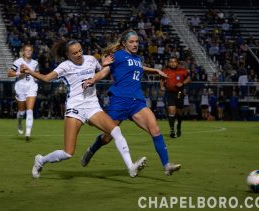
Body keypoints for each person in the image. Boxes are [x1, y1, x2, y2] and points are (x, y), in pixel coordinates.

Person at [21, 39, 146, 178]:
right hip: (75, 108)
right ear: (68, 55)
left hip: (92, 105)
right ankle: (40, 160)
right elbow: (46, 78)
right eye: (75, 53)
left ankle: (131, 167)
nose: (79, 54)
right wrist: (29, 71)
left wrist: (104, 64)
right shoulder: (65, 66)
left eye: (80, 50)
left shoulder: (91, 60)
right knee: (68, 153)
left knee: (115, 130)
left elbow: (104, 71)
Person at [81, 30, 181, 176]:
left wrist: (155, 70)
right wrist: (92, 79)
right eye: (131, 42)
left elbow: (139, 67)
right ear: (124, 44)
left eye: (137, 42)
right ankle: (92, 149)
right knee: (107, 137)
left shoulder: (138, 59)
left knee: (156, 130)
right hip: (119, 100)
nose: (135, 44)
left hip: (137, 101)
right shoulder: (118, 55)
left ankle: (166, 165)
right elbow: (105, 70)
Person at [8, 44, 39, 141]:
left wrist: (34, 75)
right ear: (23, 51)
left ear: (32, 51)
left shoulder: (35, 63)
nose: (28, 52)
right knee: (21, 112)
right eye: (27, 50)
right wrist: (20, 72)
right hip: (20, 87)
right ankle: (19, 123)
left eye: (30, 50)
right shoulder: (18, 62)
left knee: (30, 110)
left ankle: (28, 133)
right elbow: (9, 73)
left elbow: (37, 74)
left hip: (31, 87)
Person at [160, 57, 191, 138]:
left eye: (174, 62)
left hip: (179, 92)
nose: (172, 63)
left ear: (177, 63)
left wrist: (182, 83)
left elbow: (189, 78)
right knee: (171, 110)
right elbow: (162, 80)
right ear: (168, 63)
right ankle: (172, 130)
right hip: (169, 93)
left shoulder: (182, 71)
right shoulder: (165, 71)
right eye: (171, 62)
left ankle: (179, 126)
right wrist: (162, 87)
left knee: (180, 112)